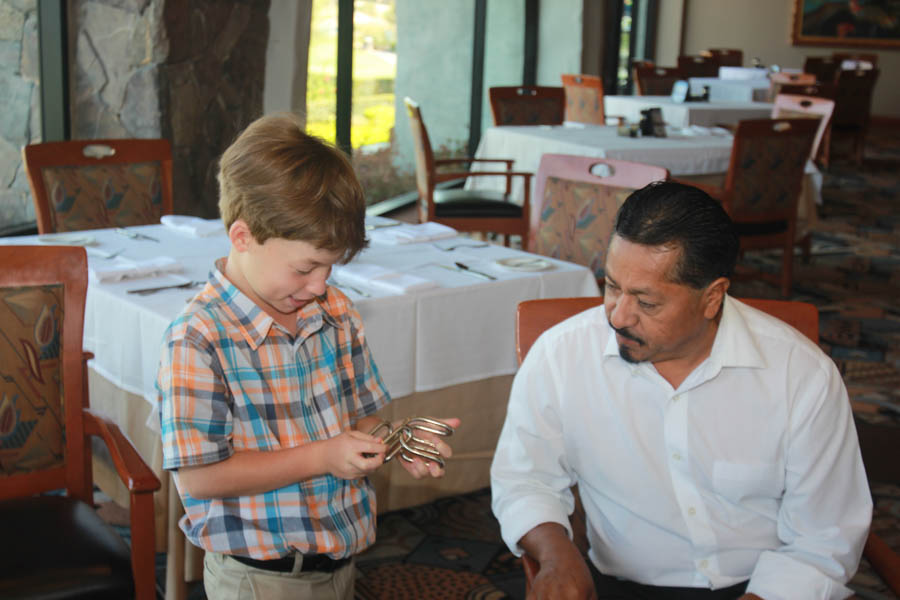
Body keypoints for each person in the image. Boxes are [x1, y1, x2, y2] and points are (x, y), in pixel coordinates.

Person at [491, 181, 871, 600]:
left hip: (770, 587)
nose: (617, 316)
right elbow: (525, 478)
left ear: (712, 298)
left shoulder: (801, 375)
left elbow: (824, 537)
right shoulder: (562, 355)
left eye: (646, 302)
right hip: (621, 586)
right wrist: (557, 555)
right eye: (612, 286)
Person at [157, 113, 458, 600]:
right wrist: (322, 457)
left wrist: (399, 441)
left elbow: (362, 417)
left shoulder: (335, 311)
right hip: (256, 579)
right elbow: (199, 476)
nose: (320, 285)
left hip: (341, 560)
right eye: (306, 268)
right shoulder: (198, 339)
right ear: (243, 237)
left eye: (331, 268)